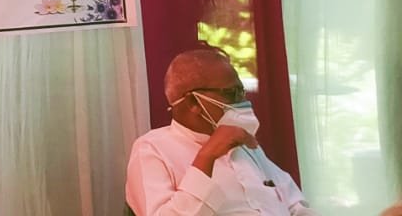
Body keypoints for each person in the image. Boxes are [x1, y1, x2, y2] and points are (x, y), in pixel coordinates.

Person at [126, 48, 318, 215]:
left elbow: (295, 205)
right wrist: (207, 155)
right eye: (232, 93)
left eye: (242, 92)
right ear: (193, 102)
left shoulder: (244, 145)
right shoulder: (152, 149)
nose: (242, 101)